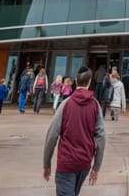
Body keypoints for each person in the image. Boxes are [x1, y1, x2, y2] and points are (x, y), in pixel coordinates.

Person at [43, 66, 105, 196]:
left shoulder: (66, 104)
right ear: (89, 82)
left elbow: (52, 136)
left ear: (76, 81)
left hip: (66, 163)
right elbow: (101, 138)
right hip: (84, 163)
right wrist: (96, 167)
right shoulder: (95, 105)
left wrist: (46, 163)